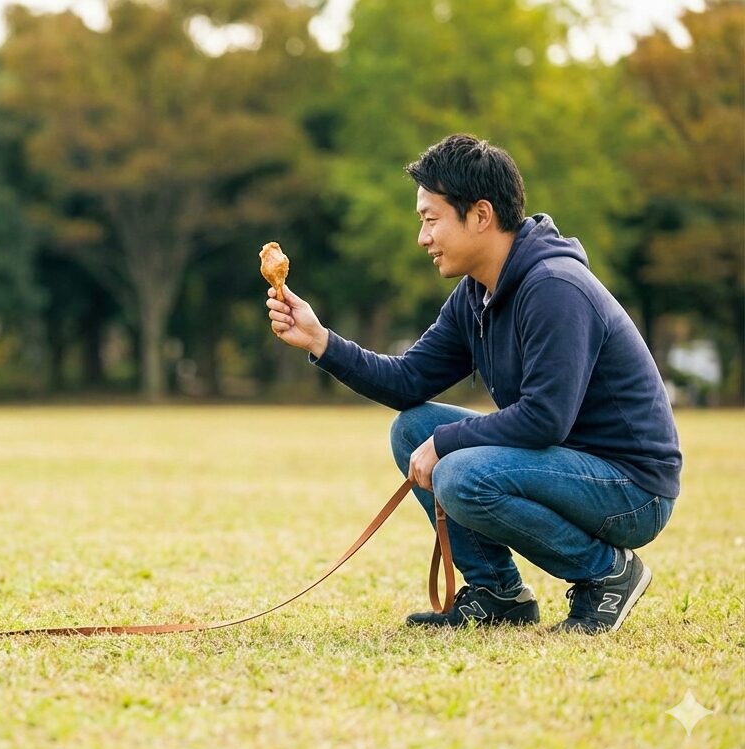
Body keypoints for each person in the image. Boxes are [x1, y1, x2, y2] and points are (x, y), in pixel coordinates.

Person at [266, 134, 681, 634]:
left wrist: (447, 443)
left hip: (631, 489)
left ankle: (607, 573)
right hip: (565, 465)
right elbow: (408, 381)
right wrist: (321, 341)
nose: (423, 238)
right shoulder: (476, 294)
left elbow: (545, 418)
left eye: (431, 219)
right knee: (412, 428)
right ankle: (497, 593)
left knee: (460, 474)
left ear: (481, 215)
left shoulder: (555, 287)